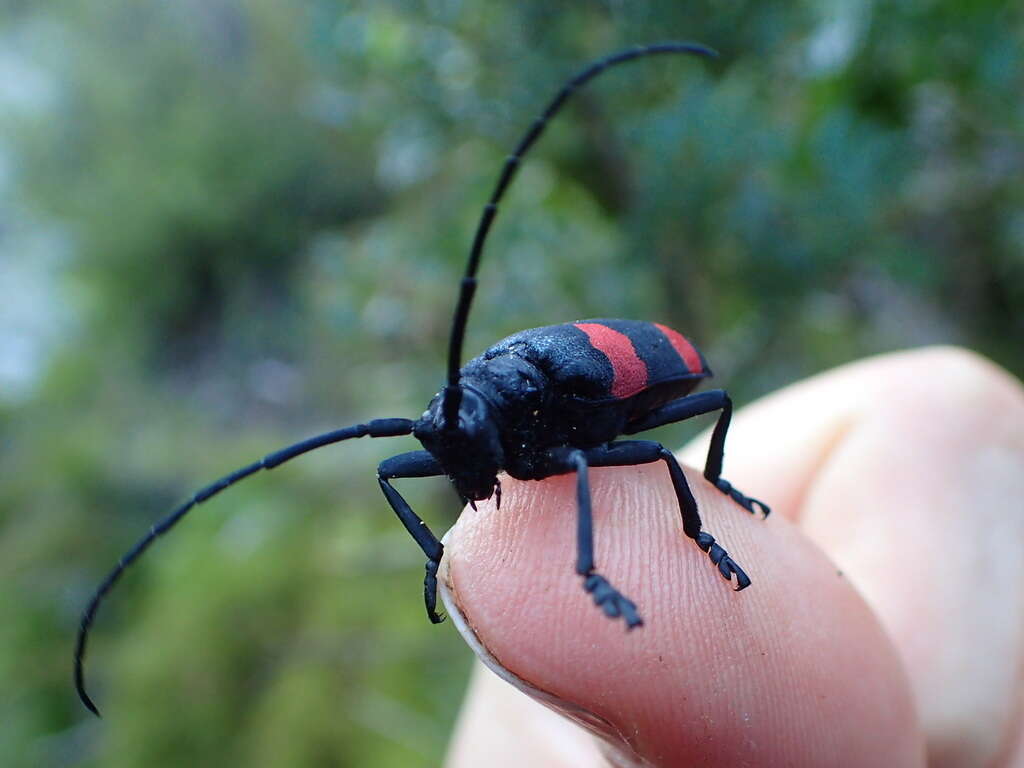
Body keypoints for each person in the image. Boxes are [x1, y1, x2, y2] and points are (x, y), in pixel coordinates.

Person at [441, 347, 1024, 767]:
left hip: (649, 369)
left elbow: (644, 452)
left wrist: (699, 520)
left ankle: (627, 557)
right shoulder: (496, 406)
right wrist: (435, 557)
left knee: (642, 458)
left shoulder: (551, 392)